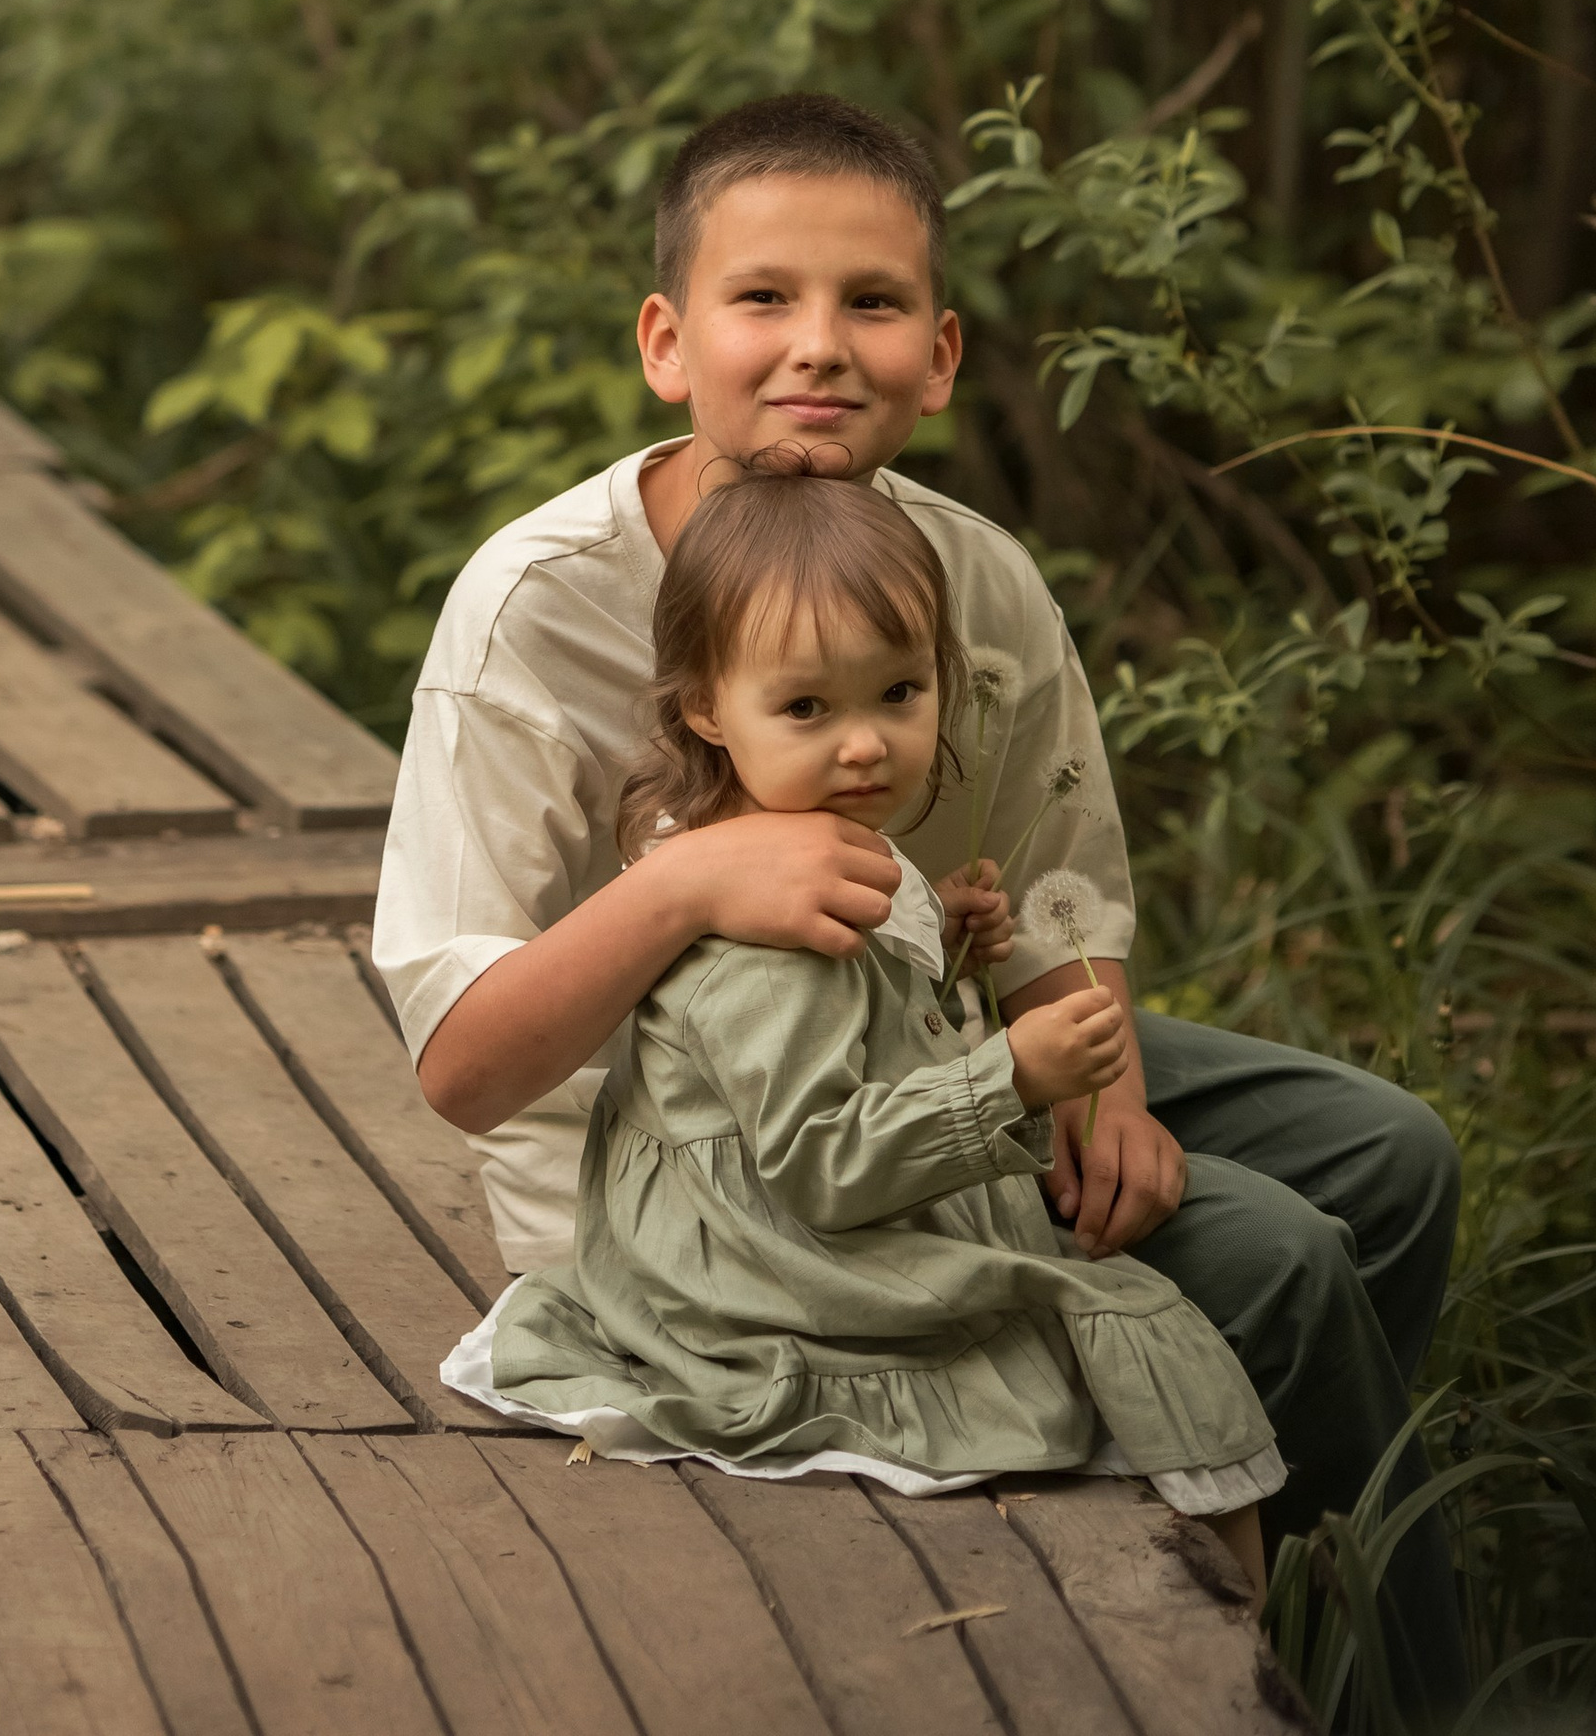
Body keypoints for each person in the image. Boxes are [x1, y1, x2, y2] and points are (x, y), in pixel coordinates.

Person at [373, 91, 1463, 1696]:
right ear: (668, 340)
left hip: (936, 1042)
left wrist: (1109, 1090)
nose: (819, 344)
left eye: (870, 301)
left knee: (1390, 1153)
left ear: (939, 354)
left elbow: (1059, 897)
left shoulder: (974, 577)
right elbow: (462, 1060)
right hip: (730, 1188)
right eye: (766, 298)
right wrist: (688, 884)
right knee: (1284, 1261)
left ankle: (1265, 1587)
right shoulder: (542, 607)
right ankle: (1413, 1690)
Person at [442, 468, 1281, 1586]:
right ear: (705, 707)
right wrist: (1013, 1074)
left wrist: (950, 958)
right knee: (1135, 1315)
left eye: (898, 693)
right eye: (805, 708)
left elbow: (864, 1025)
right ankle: (1248, 1631)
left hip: (795, 1222)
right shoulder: (758, 947)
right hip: (775, 1278)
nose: (865, 745)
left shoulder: (795, 836)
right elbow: (824, 1161)